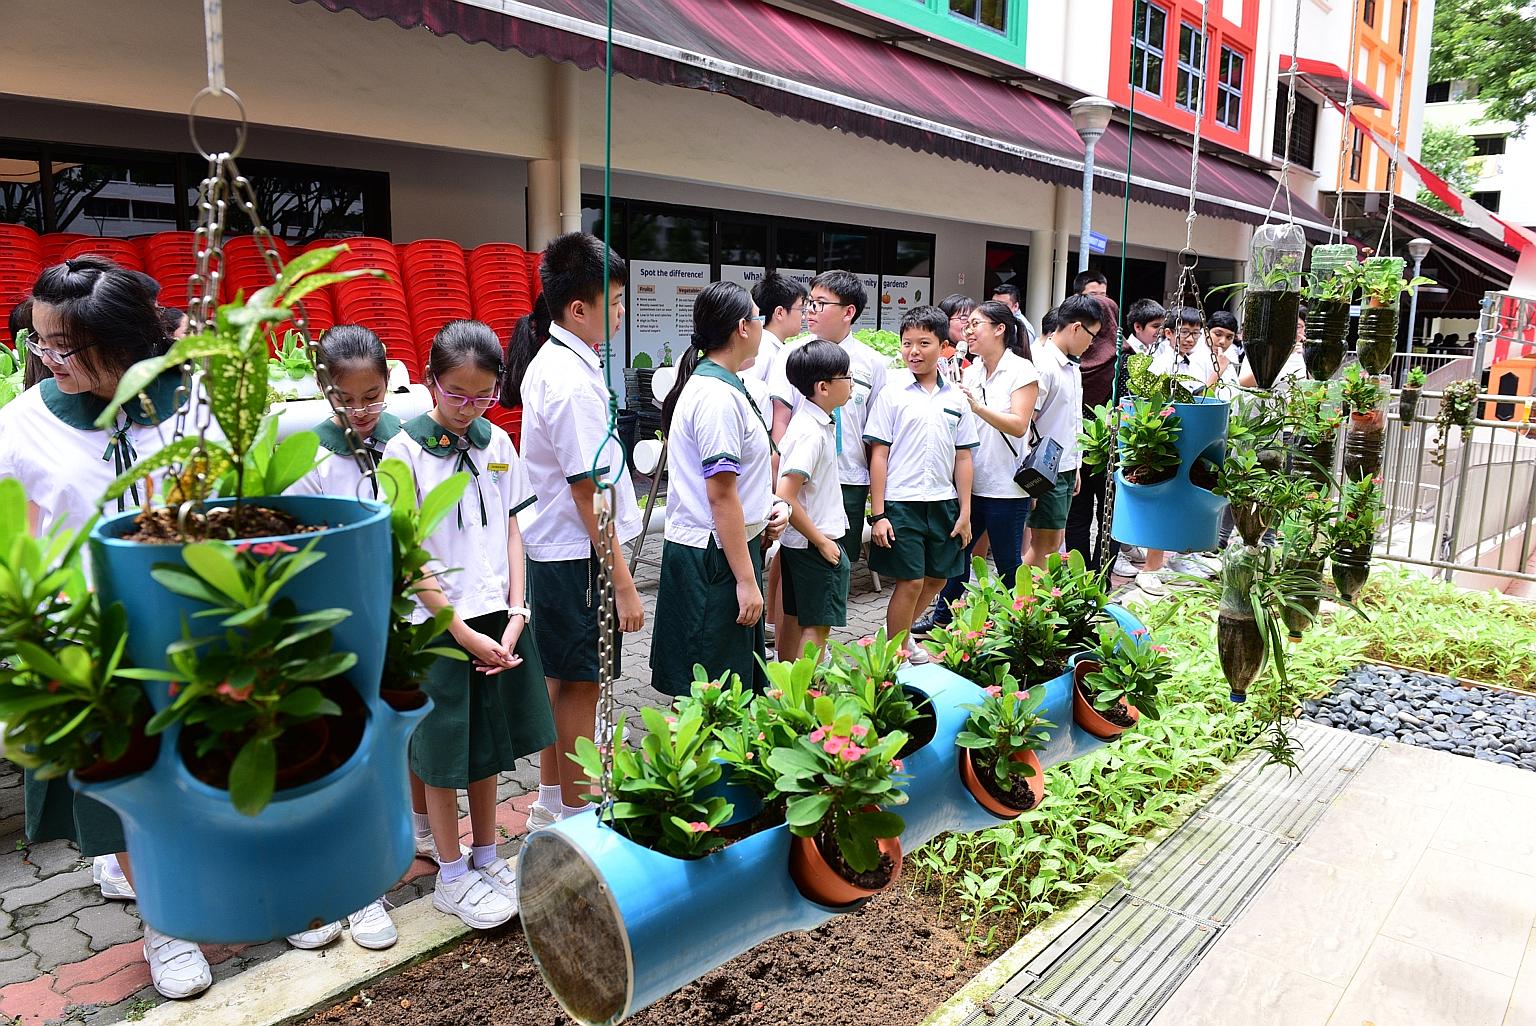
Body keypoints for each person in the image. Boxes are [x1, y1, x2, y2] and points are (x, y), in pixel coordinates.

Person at [0, 256, 212, 999]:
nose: (47, 358)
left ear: (125, 346)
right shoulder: (22, 426)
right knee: (120, 792)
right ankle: (165, 928)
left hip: (186, 628)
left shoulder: (188, 406)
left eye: (65, 347)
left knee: (201, 777)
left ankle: (232, 891)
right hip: (88, 644)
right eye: (41, 344)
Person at [382, 320, 554, 930]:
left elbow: (512, 529)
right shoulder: (401, 452)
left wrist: (517, 611)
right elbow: (411, 553)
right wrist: (459, 630)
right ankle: (450, 874)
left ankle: (487, 856)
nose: (467, 408)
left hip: (496, 617)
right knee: (442, 753)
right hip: (435, 623)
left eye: (481, 396)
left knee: (487, 748)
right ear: (431, 383)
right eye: (455, 394)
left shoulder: (496, 442)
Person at [504, 232, 643, 831]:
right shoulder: (568, 377)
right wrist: (626, 582)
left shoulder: (563, 362)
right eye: (612, 301)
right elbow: (588, 492)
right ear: (577, 307)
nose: (620, 313)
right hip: (577, 553)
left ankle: (552, 803)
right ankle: (581, 815)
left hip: (561, 549)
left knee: (564, 681)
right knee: (581, 686)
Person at [651, 282, 785, 695]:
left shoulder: (724, 385)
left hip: (721, 551)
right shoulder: (717, 397)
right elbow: (721, 494)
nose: (763, 327)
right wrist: (747, 580)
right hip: (713, 558)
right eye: (759, 318)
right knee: (711, 692)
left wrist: (768, 508)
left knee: (722, 684)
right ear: (743, 327)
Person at [916, 300, 1039, 633]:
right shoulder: (969, 371)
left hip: (1005, 486)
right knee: (958, 554)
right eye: (966, 325)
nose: (967, 332)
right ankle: (944, 616)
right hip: (969, 484)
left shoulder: (1022, 371)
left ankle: (1017, 625)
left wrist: (976, 406)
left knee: (1008, 561)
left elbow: (1018, 425)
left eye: (975, 325)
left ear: (1000, 329)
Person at [864, 306, 977, 655]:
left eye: (924, 343)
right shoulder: (892, 394)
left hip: (943, 501)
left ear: (944, 346)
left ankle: (898, 635)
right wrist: (879, 514)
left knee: (939, 578)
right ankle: (894, 654)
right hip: (901, 502)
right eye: (907, 343)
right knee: (911, 580)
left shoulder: (957, 398)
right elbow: (878, 454)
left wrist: (965, 511)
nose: (913, 351)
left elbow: (963, 457)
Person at [768, 270, 887, 565]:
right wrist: (779, 477)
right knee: (791, 563)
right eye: (810, 302)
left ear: (849, 312)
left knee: (837, 566)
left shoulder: (872, 363)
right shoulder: (791, 353)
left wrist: (877, 500)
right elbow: (780, 419)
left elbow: (875, 435)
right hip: (800, 475)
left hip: (849, 478)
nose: (810, 310)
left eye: (821, 303)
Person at [775, 340, 854, 659]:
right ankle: (806, 697)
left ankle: (786, 694)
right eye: (846, 377)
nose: (851, 382)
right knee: (817, 626)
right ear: (823, 386)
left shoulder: (814, 421)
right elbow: (785, 495)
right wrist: (822, 542)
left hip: (801, 543)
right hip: (813, 543)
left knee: (797, 619)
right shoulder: (811, 431)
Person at [1024, 295, 1100, 569]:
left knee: (1053, 543)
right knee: (1043, 545)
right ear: (1077, 327)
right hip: (1044, 470)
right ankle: (1019, 603)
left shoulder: (1071, 363)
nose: (1092, 343)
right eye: (1093, 335)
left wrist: (1075, 465)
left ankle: (1026, 602)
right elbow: (1026, 423)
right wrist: (1031, 484)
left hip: (1065, 467)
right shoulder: (1043, 364)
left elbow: (1070, 422)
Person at [289, 324, 402, 496]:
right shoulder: (308, 458)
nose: (360, 411)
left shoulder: (409, 440)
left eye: (371, 397)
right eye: (345, 400)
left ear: (387, 376)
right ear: (320, 384)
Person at [1064, 296, 1128, 572]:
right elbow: (1129, 403)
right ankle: (1102, 577)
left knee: (1076, 516)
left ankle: (1078, 581)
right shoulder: (1123, 356)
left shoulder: (1070, 356)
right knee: (1110, 515)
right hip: (1110, 447)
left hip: (1076, 446)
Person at [745, 274, 807, 384]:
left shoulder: (766, 345)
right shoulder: (762, 350)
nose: (804, 317)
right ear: (779, 313)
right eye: (801, 309)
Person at [1238, 311, 1307, 390]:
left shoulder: (1304, 354)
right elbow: (1243, 383)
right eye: (1286, 325)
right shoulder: (1259, 349)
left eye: (1298, 327)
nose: (1290, 330)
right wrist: (1278, 356)